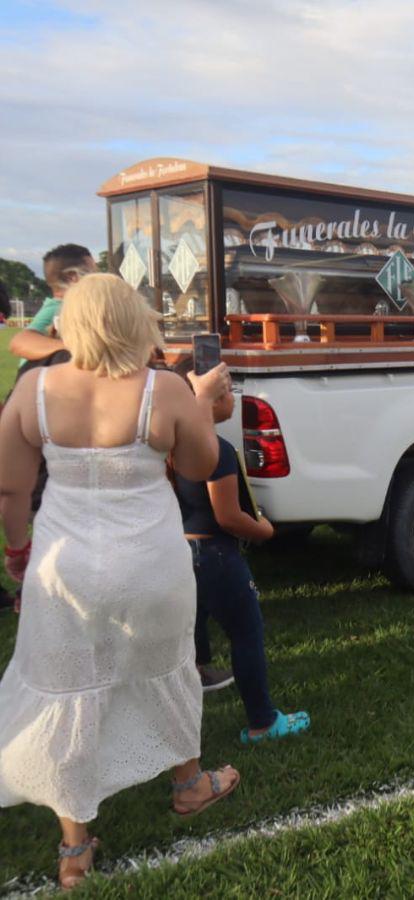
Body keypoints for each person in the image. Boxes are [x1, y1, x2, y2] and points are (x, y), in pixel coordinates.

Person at [0, 273, 240, 890]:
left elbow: (11, 487)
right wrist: (202, 399)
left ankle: (74, 847)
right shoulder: (163, 388)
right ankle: (189, 784)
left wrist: (19, 549)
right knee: (166, 664)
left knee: (67, 683)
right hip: (149, 563)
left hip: (65, 565)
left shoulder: (35, 388)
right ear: (137, 321)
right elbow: (199, 466)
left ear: (69, 325)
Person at [173, 364, 310, 744]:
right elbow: (229, 517)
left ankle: (194, 684)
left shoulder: (173, 444)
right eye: (229, 391)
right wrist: (264, 531)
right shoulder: (216, 451)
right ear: (212, 400)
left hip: (180, 551)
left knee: (188, 632)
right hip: (214, 556)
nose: (233, 399)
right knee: (247, 632)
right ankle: (263, 722)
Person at [10, 244, 97, 368]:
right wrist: (83, 350)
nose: (97, 280)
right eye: (93, 273)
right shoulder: (58, 308)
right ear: (73, 277)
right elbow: (19, 342)